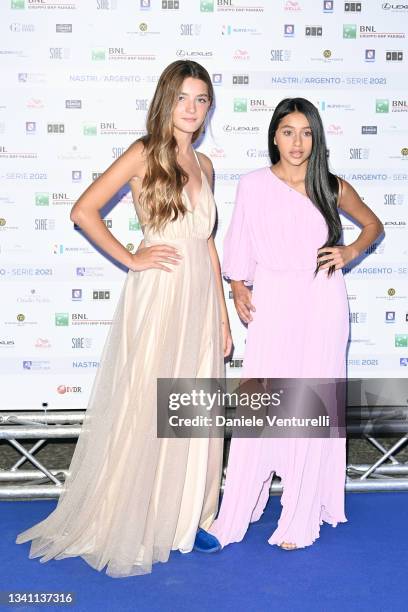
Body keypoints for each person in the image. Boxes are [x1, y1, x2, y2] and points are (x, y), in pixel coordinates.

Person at [16, 60, 232, 577]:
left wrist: (223, 315)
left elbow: (207, 243)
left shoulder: (205, 165)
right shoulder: (143, 153)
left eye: (202, 100)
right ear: (166, 99)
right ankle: (141, 513)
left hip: (200, 296)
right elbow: (83, 210)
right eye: (184, 97)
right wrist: (134, 257)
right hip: (157, 294)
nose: (193, 108)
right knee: (148, 400)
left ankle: (189, 518)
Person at [202, 97, 383, 552]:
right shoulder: (252, 185)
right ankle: (239, 507)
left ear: (316, 137)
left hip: (321, 300)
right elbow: (239, 242)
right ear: (274, 135)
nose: (297, 142)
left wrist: (350, 250)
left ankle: (301, 513)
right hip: (273, 301)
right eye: (287, 131)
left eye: (306, 132)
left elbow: (373, 225)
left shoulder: (330, 185)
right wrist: (239, 287)